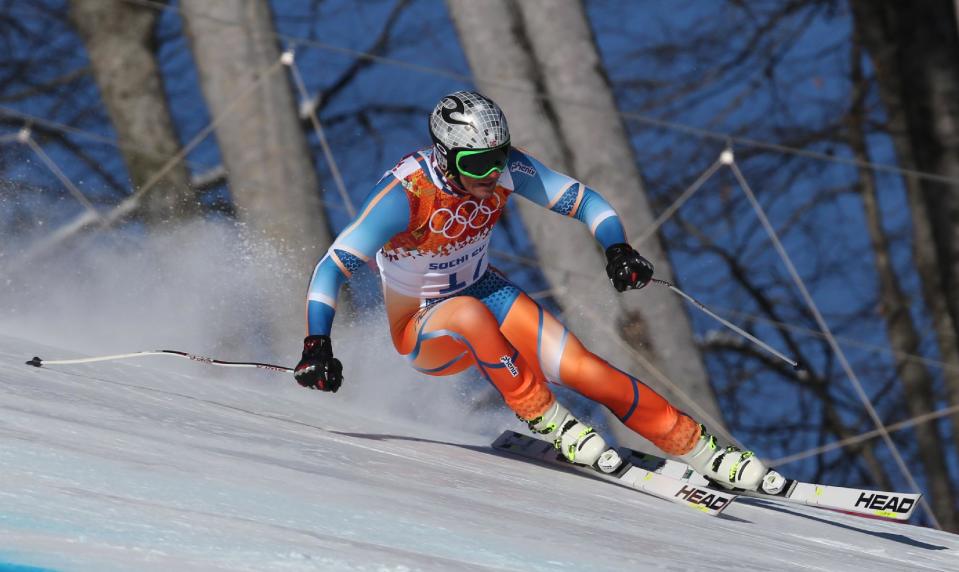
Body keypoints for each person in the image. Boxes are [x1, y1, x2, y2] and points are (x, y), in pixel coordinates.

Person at [294, 90, 780, 492]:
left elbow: (586, 201)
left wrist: (617, 249)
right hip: (423, 327)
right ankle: (549, 421)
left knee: (587, 370)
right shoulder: (406, 196)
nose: (491, 174)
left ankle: (702, 450)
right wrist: (318, 341)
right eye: (478, 163)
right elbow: (331, 266)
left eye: (498, 159)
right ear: (447, 156)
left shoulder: (507, 170)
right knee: (466, 314)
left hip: (486, 292)